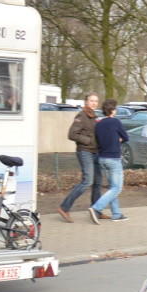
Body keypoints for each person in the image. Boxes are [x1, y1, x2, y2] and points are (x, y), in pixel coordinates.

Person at [57, 93, 102, 222]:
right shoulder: (82, 116)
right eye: (91, 101)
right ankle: (64, 207)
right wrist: (87, 141)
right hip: (85, 152)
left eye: (96, 101)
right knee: (87, 181)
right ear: (86, 102)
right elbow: (72, 134)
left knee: (98, 182)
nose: (94, 103)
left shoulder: (93, 116)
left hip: (95, 152)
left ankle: (96, 211)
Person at [89, 99, 131, 223]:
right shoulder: (115, 122)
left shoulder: (99, 124)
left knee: (112, 187)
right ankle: (96, 207)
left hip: (102, 158)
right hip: (113, 158)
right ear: (112, 110)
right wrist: (119, 139)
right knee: (116, 188)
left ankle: (116, 214)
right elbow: (126, 137)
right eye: (115, 108)